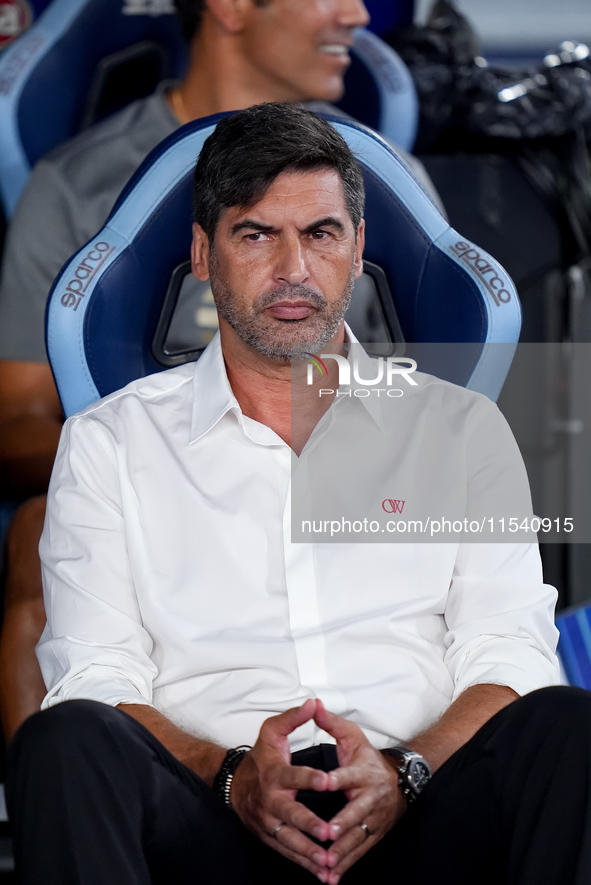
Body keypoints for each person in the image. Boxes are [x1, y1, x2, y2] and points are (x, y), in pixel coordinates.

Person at [8, 102, 589, 885]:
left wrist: (404, 769)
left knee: (566, 727)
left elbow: (510, 653)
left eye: (320, 234)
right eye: (256, 234)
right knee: (66, 738)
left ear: (356, 253)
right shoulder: (112, 440)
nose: (293, 269)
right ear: (203, 255)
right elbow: (95, 674)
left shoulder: (459, 428)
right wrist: (232, 773)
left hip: (416, 812)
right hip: (209, 817)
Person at [0, 0, 442, 741]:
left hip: (345, 486)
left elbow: (445, 413)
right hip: (143, 502)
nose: (357, 14)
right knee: (41, 531)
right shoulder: (76, 183)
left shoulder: (388, 186)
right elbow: (15, 421)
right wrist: (168, 466)